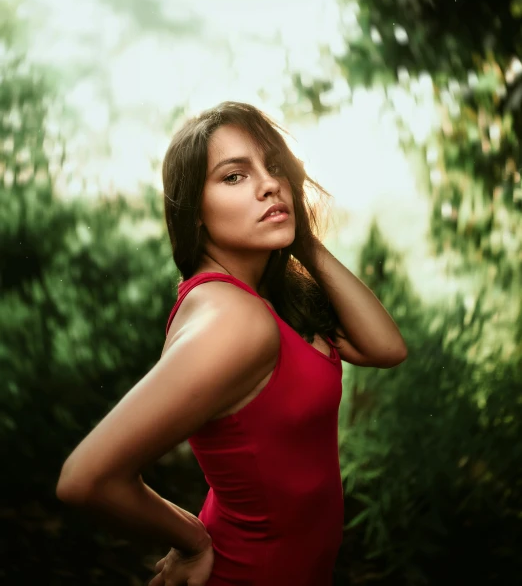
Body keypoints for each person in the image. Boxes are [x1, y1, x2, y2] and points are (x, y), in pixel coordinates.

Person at [56, 101, 408, 586]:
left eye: (275, 167)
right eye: (234, 176)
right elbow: (85, 478)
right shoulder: (234, 320)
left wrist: (300, 237)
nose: (270, 184)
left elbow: (385, 348)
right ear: (194, 212)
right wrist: (192, 538)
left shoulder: (257, 300)